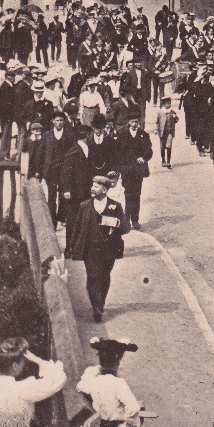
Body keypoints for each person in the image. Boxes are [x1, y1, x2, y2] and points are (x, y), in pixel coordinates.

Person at [65, 176, 130, 322]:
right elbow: (77, 228)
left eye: (96, 187)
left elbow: (126, 227)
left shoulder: (115, 206)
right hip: (90, 249)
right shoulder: (85, 206)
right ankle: (97, 307)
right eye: (92, 186)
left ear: (105, 190)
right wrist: (71, 246)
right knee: (93, 276)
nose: (92, 189)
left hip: (109, 249)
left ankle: (101, 302)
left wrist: (116, 222)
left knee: (105, 276)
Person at [115, 112, 153, 229]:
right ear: (128, 122)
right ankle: (126, 219)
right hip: (126, 169)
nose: (134, 124)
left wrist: (144, 157)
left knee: (137, 194)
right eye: (132, 122)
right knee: (128, 193)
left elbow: (149, 150)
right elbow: (117, 151)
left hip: (138, 170)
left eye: (136, 122)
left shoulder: (143, 135)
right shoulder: (121, 134)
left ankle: (135, 220)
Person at [38, 110, 75, 224]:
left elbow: (73, 153)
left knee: (64, 195)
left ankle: (62, 217)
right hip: (51, 171)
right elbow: (41, 154)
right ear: (52, 121)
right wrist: (40, 171)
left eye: (61, 120)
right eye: (57, 120)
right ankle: (52, 220)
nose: (59, 123)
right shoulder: (47, 136)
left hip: (64, 170)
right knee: (52, 196)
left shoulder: (69, 135)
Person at [156, 96, 178, 169]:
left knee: (169, 145)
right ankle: (163, 160)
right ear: (164, 104)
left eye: (170, 103)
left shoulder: (172, 112)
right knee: (162, 146)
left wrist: (175, 117)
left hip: (170, 132)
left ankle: (168, 161)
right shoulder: (160, 112)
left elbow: (176, 120)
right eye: (168, 103)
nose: (169, 105)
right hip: (162, 132)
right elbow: (157, 122)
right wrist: (156, 129)